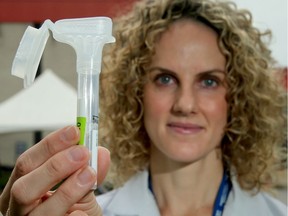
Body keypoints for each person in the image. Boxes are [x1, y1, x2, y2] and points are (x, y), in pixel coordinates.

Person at [0, 0, 286, 215]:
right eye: (165, 79)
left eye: (209, 81)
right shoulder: (83, 211)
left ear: (239, 96)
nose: (185, 104)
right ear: (135, 92)